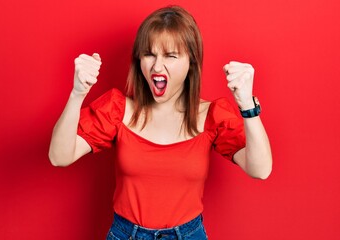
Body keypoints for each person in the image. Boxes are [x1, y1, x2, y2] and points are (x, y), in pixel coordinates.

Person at [49, 5, 272, 240]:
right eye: (149, 54)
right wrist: (77, 93)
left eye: (170, 55)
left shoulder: (212, 116)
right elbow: (59, 156)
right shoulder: (117, 110)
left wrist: (247, 105)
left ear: (191, 62)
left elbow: (261, 169)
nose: (156, 66)